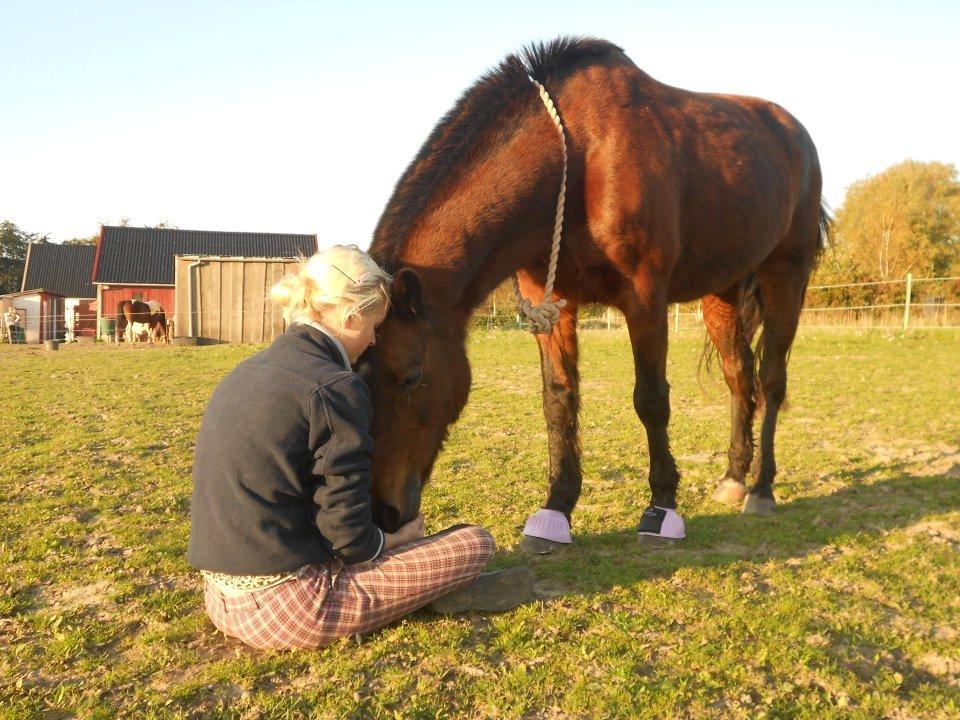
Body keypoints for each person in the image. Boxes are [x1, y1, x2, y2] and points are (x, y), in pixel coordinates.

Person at [188, 245, 533, 650]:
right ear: (352, 318)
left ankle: (418, 590)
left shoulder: (247, 371)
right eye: (374, 327)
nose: (372, 342)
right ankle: (428, 594)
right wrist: (396, 542)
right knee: (475, 544)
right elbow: (349, 538)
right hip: (288, 607)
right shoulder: (335, 386)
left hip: (220, 597)